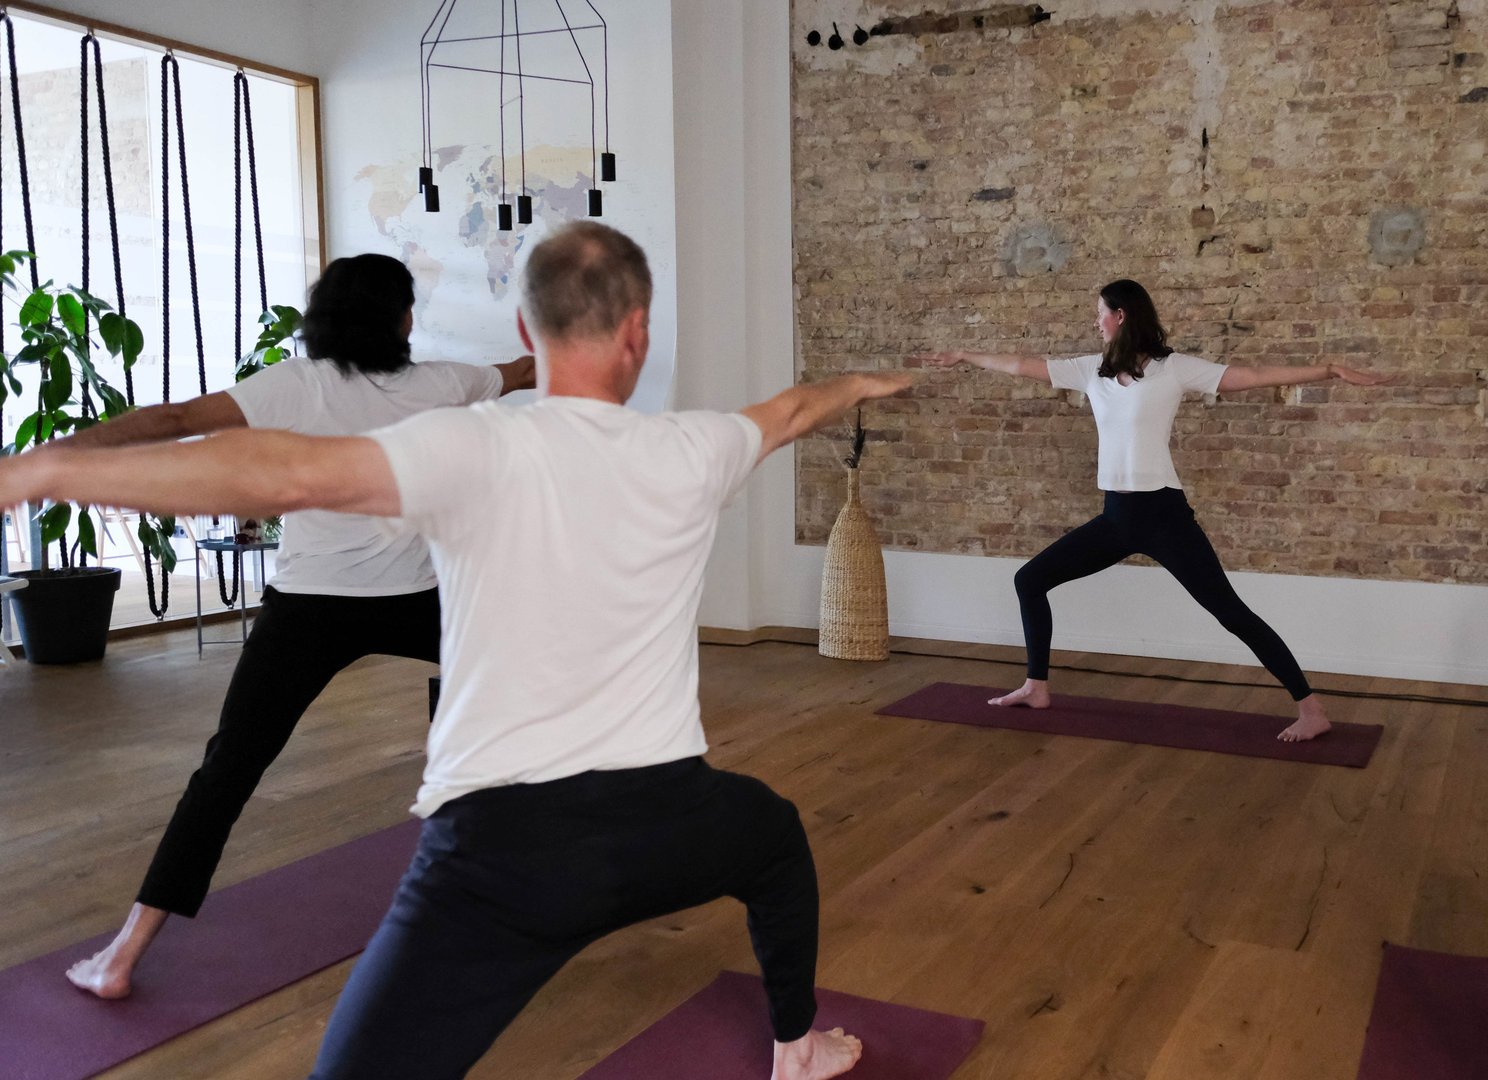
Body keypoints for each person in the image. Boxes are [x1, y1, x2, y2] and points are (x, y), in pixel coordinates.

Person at [2, 221, 905, 1080]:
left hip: (498, 847)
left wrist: (47, 468)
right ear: (638, 331)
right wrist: (862, 382)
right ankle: (797, 1050)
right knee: (773, 837)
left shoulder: (464, 437)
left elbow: (280, 470)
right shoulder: (695, 442)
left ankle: (129, 948)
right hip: (668, 816)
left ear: (525, 325)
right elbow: (794, 409)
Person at [56, 253, 534, 1000]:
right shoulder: (444, 384)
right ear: (402, 319)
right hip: (417, 600)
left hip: (310, 609)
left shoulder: (294, 384)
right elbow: (524, 371)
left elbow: (177, 420)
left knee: (226, 773)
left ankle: (122, 956)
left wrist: (66, 454)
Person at [918, 279, 1389, 740]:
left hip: (1164, 517)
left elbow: (1249, 377)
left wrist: (1328, 369)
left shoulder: (1173, 369)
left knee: (1230, 612)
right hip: (1115, 519)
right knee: (1030, 580)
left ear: (1120, 315)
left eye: (1100, 313)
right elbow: (1021, 365)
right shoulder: (1092, 371)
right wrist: (965, 355)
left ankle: (1311, 710)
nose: (1096, 322)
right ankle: (1035, 686)